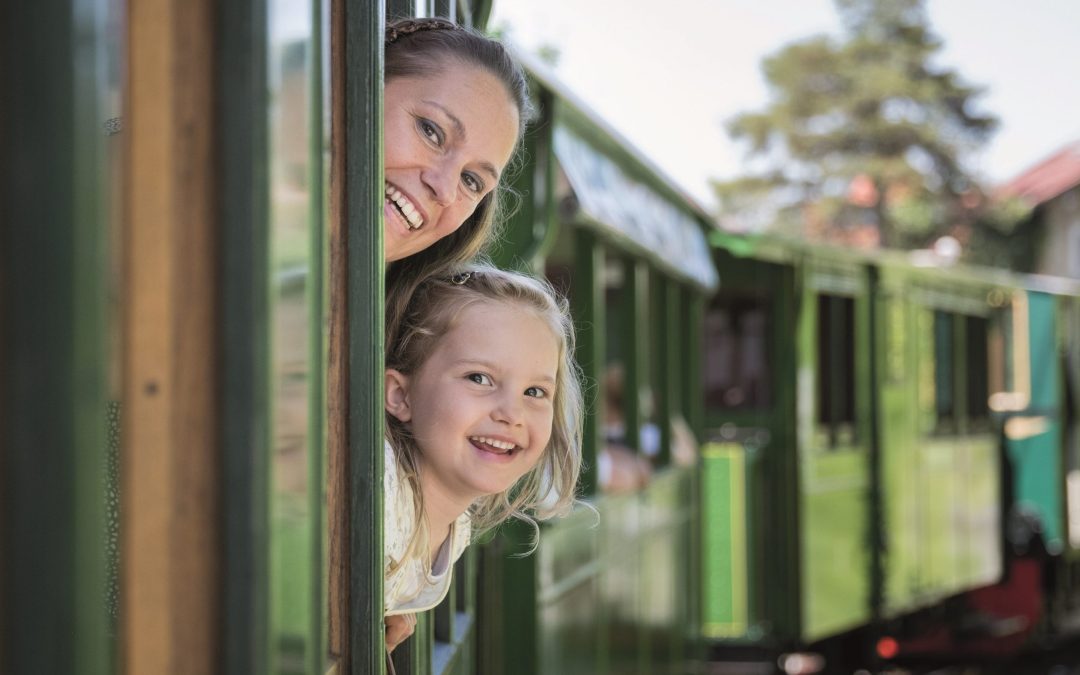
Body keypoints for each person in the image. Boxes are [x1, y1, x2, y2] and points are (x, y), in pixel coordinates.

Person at [382, 263, 583, 653]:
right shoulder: (381, 490)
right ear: (400, 395)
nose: (511, 413)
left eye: (535, 392)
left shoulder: (456, 526)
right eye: (479, 378)